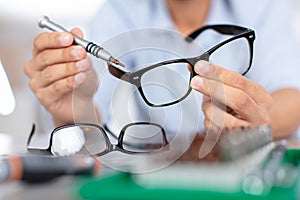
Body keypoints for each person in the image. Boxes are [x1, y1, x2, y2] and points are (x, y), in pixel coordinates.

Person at [24, 0, 300, 140]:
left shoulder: (263, 6)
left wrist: (253, 124)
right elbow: (92, 117)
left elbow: (293, 95)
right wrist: (76, 106)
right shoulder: (121, 11)